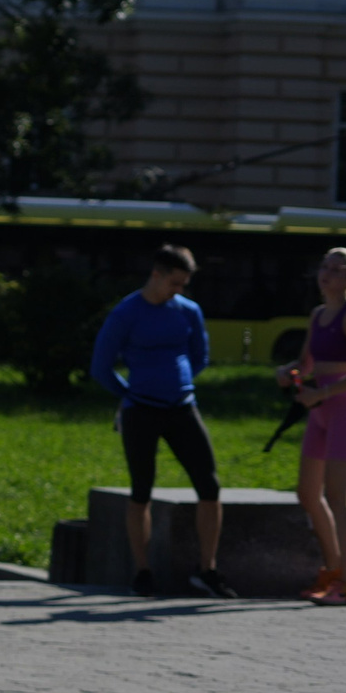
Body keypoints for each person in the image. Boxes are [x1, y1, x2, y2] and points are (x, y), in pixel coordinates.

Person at [90, 245, 233, 598]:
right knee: (142, 489)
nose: (179, 291)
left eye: (184, 284)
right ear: (156, 274)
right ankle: (142, 571)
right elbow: (100, 366)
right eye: (174, 283)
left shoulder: (188, 312)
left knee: (209, 486)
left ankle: (208, 570)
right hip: (141, 410)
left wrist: (178, 381)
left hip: (182, 407)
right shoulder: (126, 313)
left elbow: (199, 356)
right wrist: (130, 394)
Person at [282, 246, 346, 606]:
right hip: (320, 408)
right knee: (308, 494)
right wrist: (289, 373)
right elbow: (306, 362)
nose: (328, 274)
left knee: (338, 497)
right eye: (325, 266)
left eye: (338, 270)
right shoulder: (319, 313)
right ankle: (333, 569)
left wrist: (323, 393)